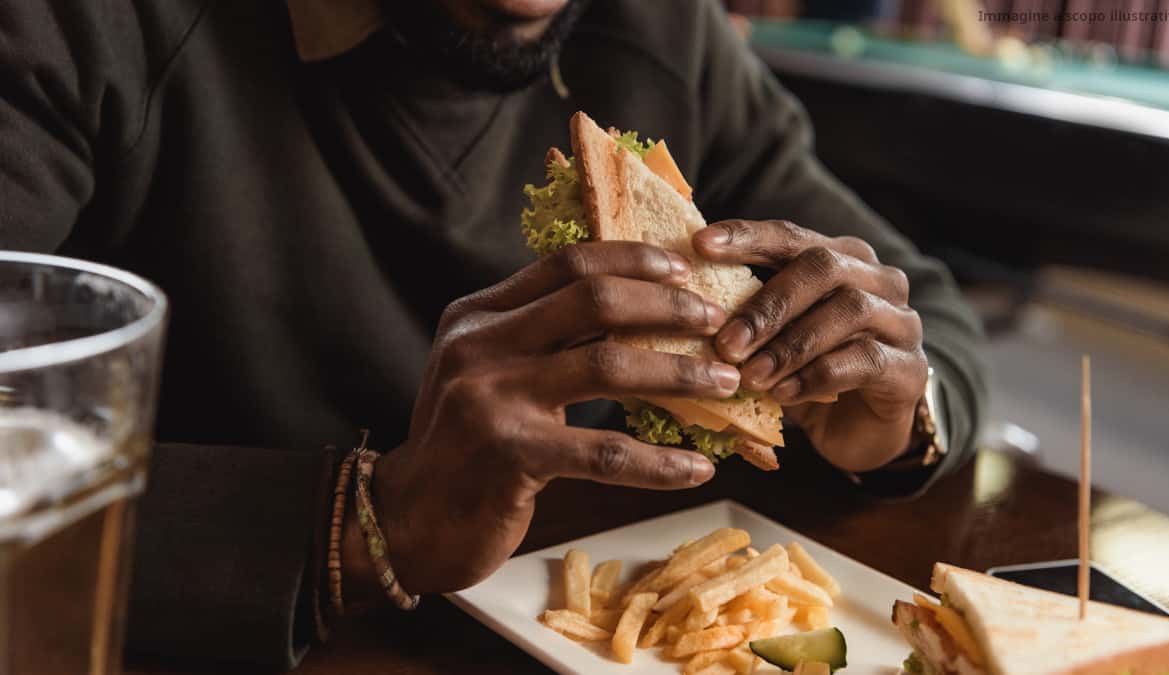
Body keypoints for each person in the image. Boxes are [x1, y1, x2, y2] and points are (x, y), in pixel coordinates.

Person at [0, 0, 987, 668]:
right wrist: (360, 521)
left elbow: (920, 310)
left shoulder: (662, 31)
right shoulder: (90, 27)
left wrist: (887, 417)